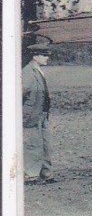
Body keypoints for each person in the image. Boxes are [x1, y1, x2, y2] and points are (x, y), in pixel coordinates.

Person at [22, 43, 55, 184]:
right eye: (44, 55)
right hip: (31, 116)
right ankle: (31, 175)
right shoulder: (28, 73)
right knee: (32, 146)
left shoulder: (37, 71)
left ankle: (46, 174)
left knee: (46, 145)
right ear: (35, 56)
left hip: (41, 115)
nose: (47, 58)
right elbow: (18, 95)